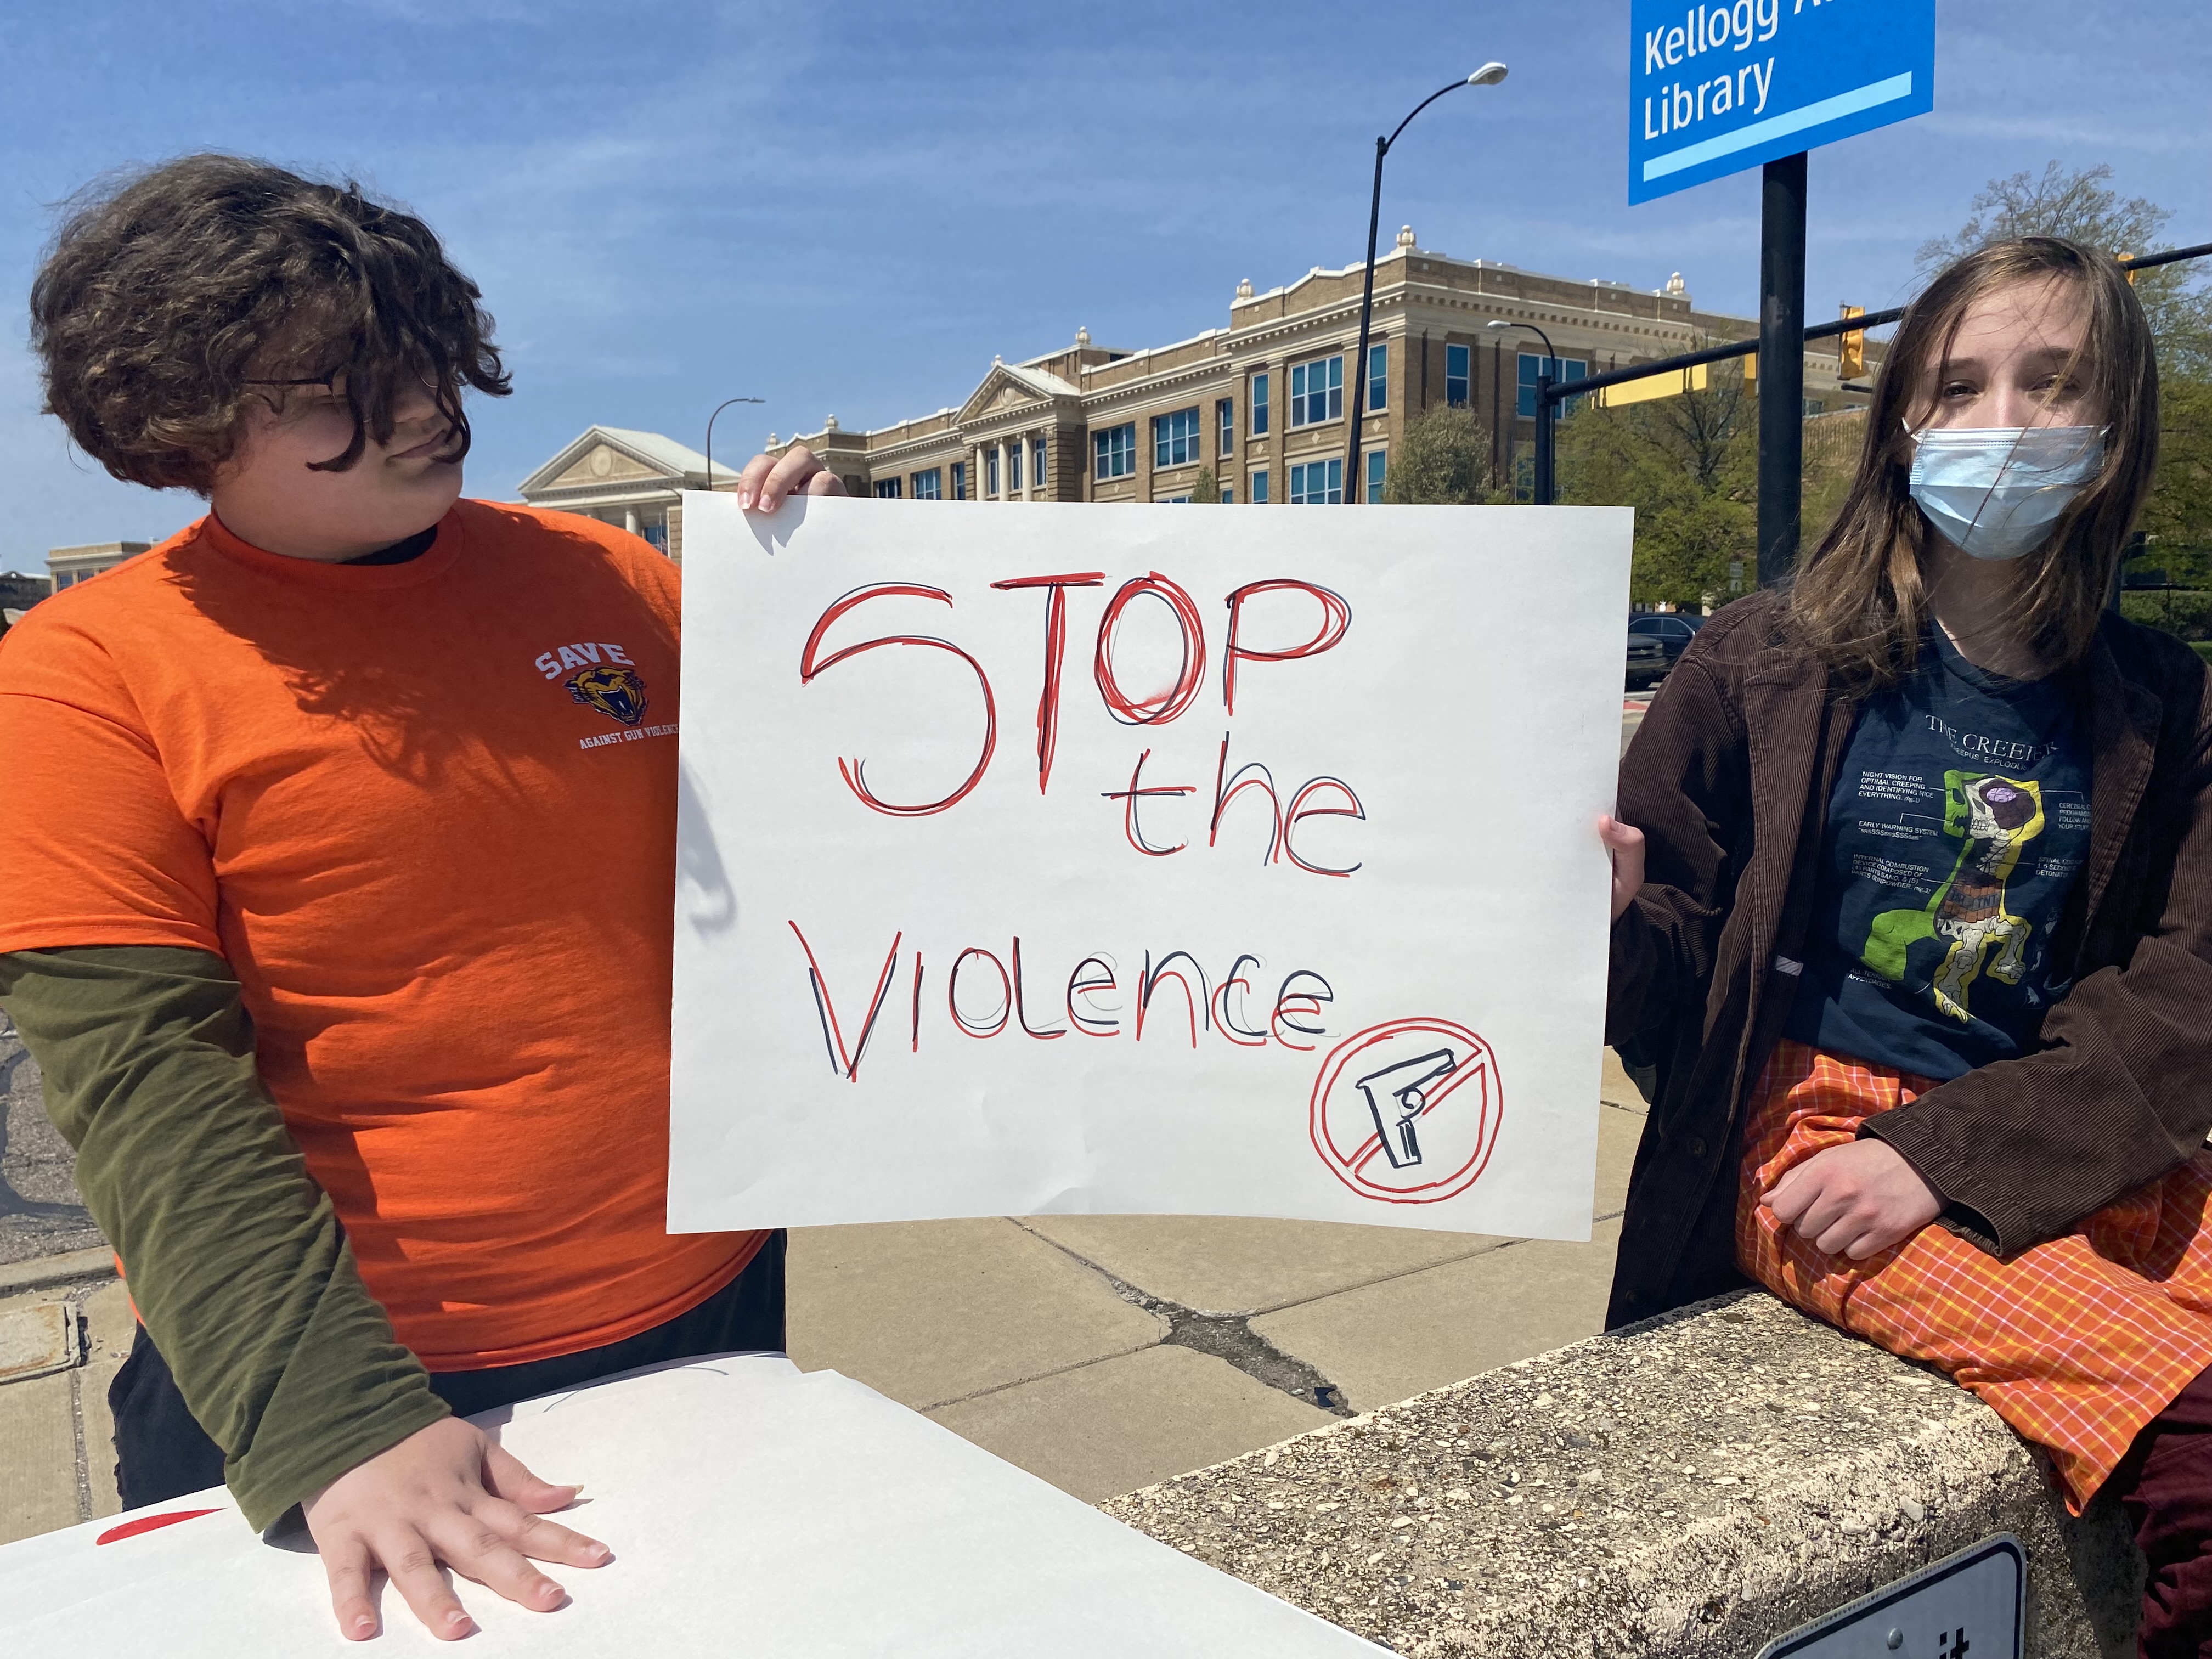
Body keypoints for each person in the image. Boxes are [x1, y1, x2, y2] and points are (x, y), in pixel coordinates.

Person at [0, 156, 833, 1641]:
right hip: (358, 1377)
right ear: (178, 419)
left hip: (710, 1299)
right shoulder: (83, 677)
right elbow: (143, 1083)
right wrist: (332, 1417)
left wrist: (856, 588)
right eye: (337, 390)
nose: (423, 410)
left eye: (426, 356)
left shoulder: (614, 580)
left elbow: (857, 817)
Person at [1599, 234, 2212, 1656]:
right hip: (1805, 1142)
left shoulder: (2166, 702)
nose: (2002, 422)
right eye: (1957, 386)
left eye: (2051, 383)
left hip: (2049, 1118)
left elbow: (2191, 987)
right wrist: (1608, 921)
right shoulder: (1759, 661)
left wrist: (1949, 1152)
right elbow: (1671, 984)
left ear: (2117, 430)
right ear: (1901, 425)